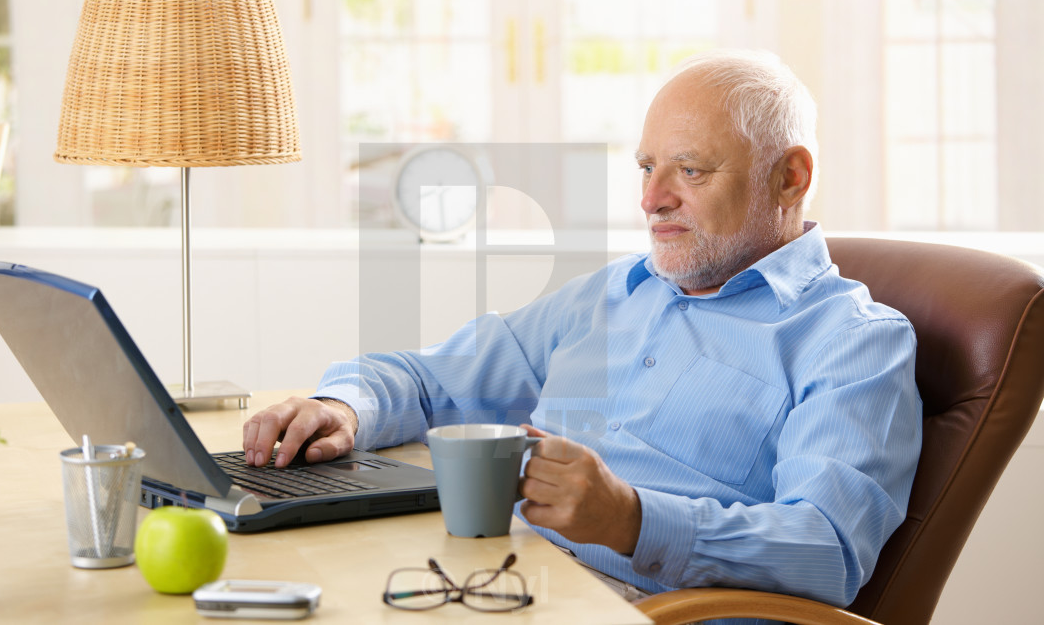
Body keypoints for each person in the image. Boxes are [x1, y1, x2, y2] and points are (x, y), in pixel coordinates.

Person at [242, 49, 922, 621]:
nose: (652, 198)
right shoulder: (614, 292)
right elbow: (432, 379)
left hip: (646, 608)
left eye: (690, 169)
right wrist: (341, 407)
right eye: (646, 167)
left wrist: (631, 517)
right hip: (506, 576)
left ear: (789, 176)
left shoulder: (852, 340)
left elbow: (827, 549)